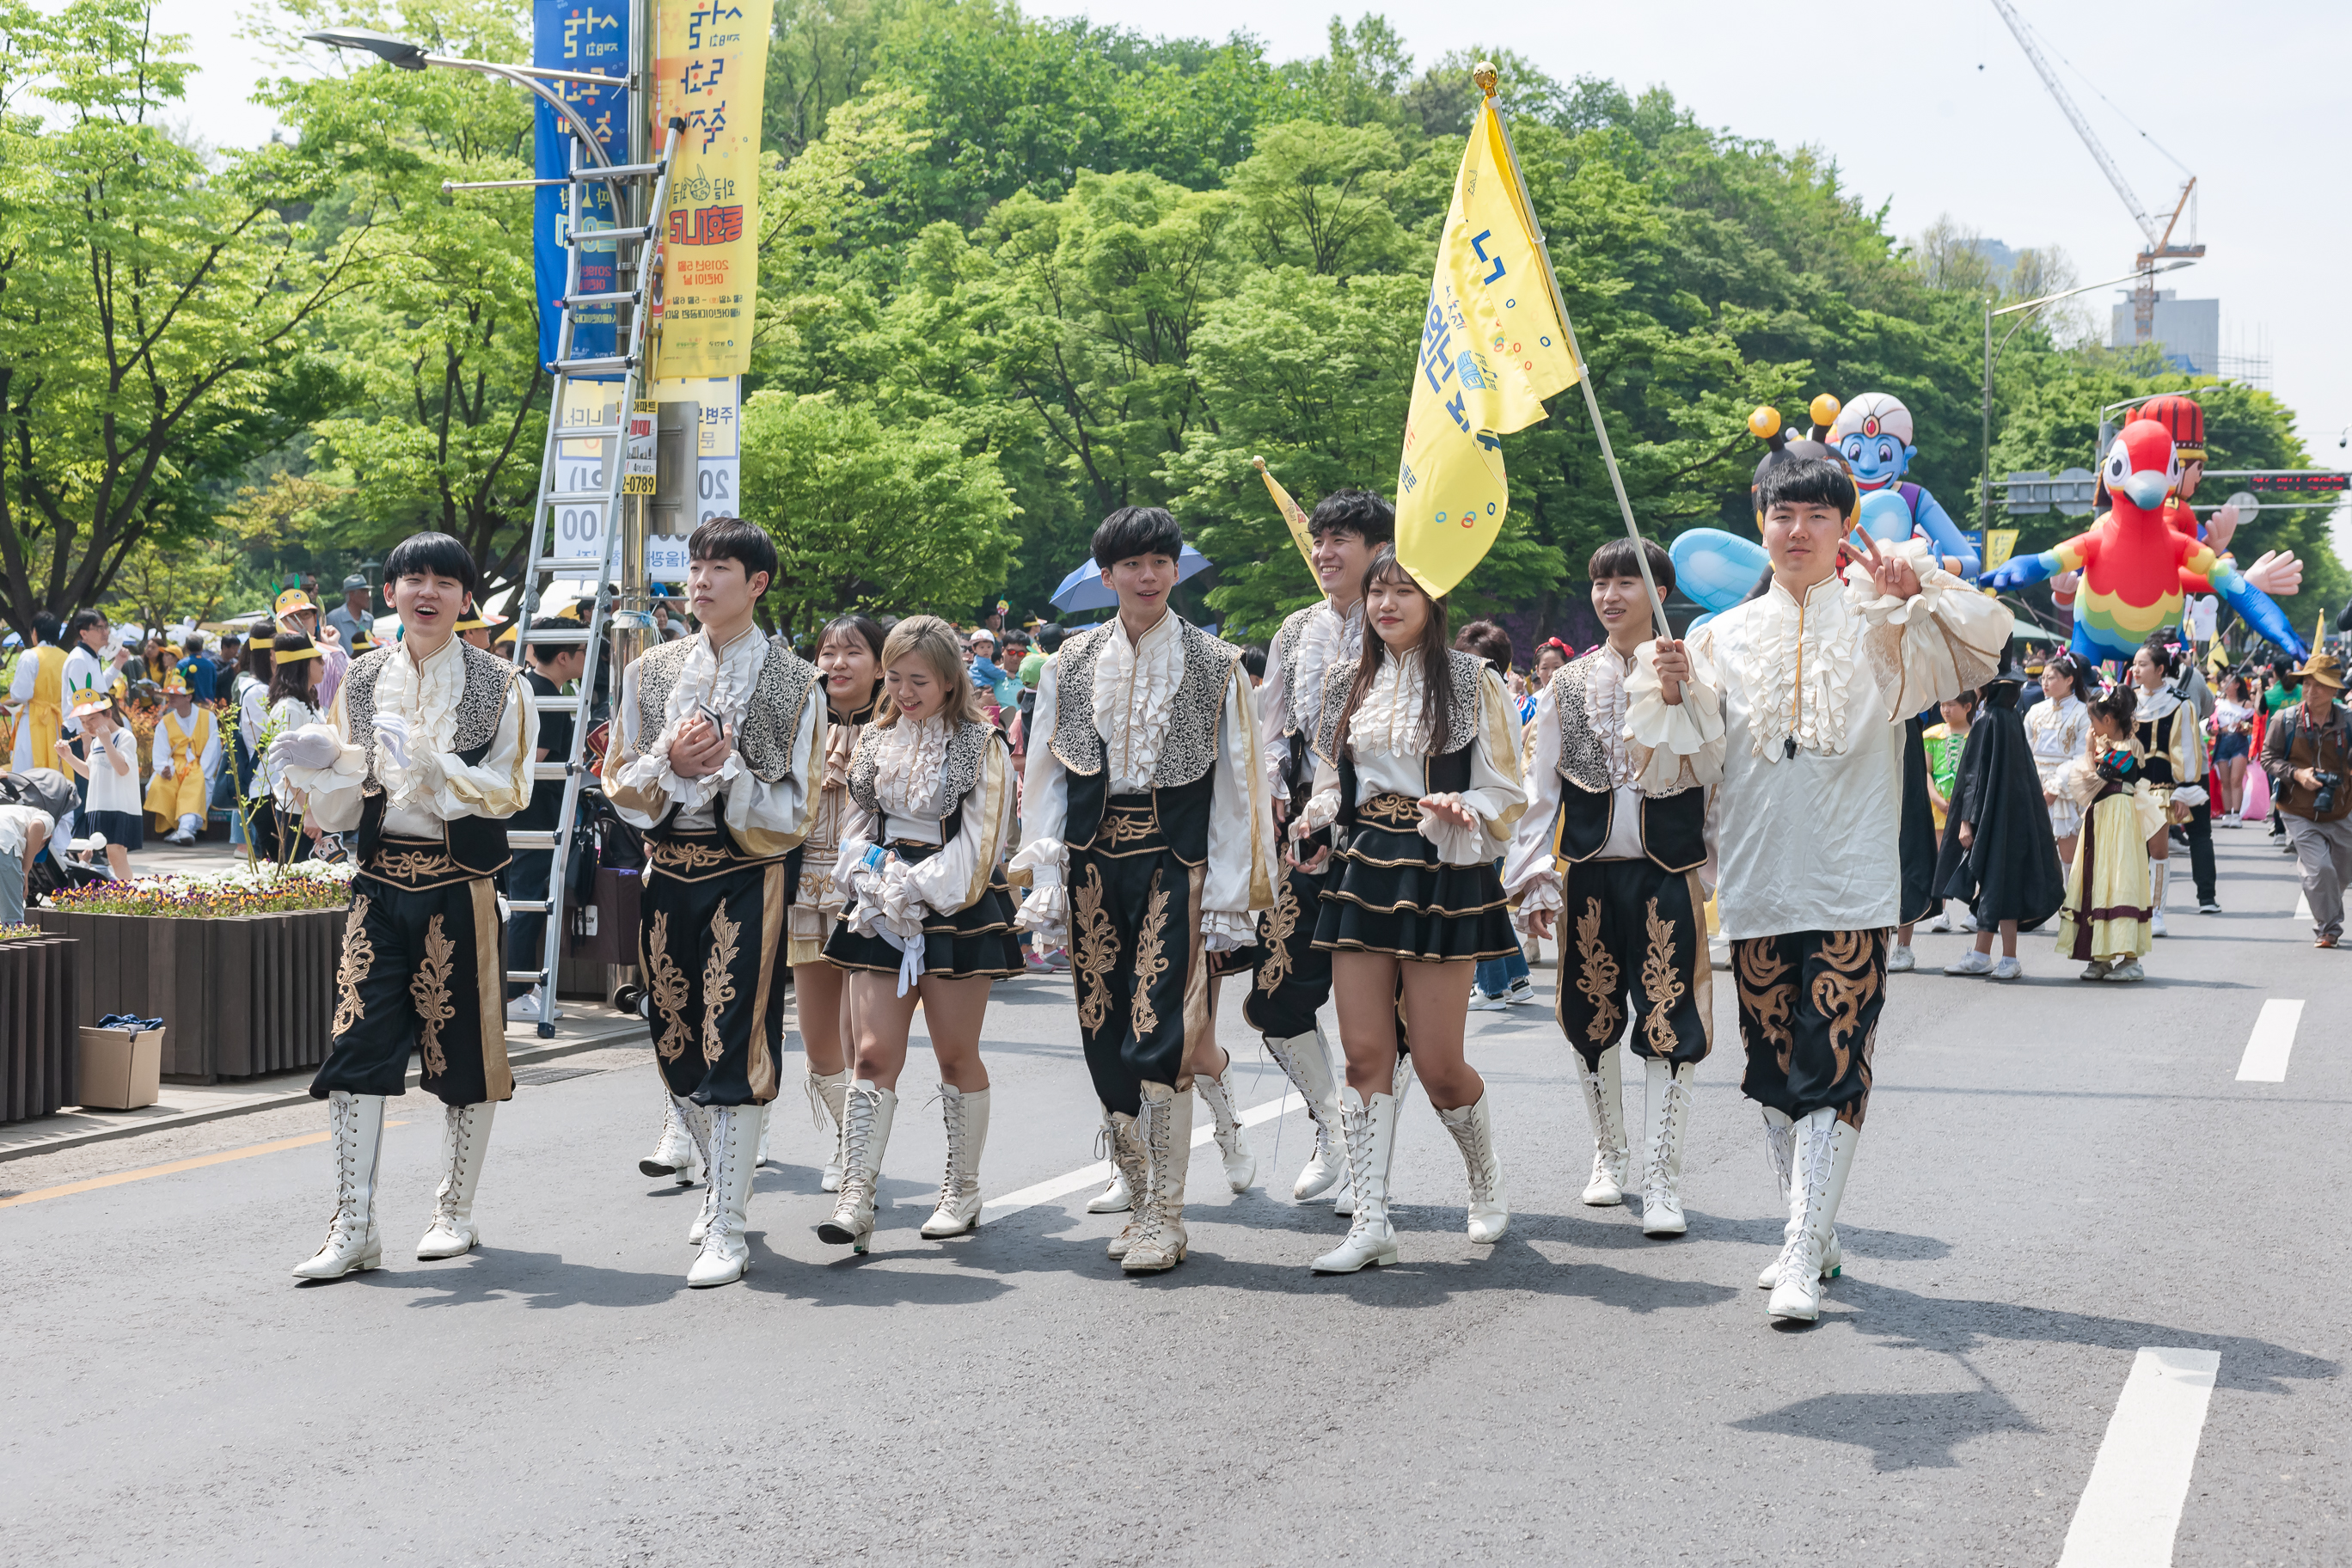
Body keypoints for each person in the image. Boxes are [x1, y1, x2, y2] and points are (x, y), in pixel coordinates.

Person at [1627, 455, 2007, 1321]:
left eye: (1815, 516)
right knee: (1774, 1068)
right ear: (1760, 521)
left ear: (1843, 529)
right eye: (1781, 514)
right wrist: (1675, 695)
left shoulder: (1885, 619)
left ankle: (1799, 1250)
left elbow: (1979, 649)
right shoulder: (1720, 637)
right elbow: (1683, 766)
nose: (1796, 531)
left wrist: (1919, 591)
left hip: (1851, 880)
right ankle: (1816, 1225)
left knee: (1832, 1058)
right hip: (1758, 880)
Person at [1010, 505, 1276, 1274]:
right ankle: (1136, 1191)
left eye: (1161, 560)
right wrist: (1050, 874)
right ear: (1107, 576)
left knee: (1157, 1027)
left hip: (1176, 865)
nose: (1148, 574)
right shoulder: (1068, 660)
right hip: (1093, 862)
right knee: (1100, 1032)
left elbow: (1237, 789)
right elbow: (1047, 777)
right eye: (1132, 563)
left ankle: (1166, 1213)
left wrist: (1229, 894)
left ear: (1177, 568)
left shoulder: (1215, 661)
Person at [266, 532, 538, 1281]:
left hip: (459, 885)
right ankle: (354, 1226)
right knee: (355, 1048)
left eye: (444, 582)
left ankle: (455, 1210)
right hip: (380, 882)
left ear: (464, 597)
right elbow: (354, 794)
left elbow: (514, 789)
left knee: (466, 1056)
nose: (428, 592)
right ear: (389, 593)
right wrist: (329, 763)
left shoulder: (500, 682)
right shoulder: (358, 680)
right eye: (413, 578)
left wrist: (432, 761)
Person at [1289, 544, 1525, 1273]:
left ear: (1433, 601)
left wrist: (1465, 804)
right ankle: (1371, 1220)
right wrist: (1316, 813)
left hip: (1439, 865)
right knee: (1364, 1054)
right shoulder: (1343, 678)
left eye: (1403, 592)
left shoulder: (1471, 679)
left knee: (1438, 1061)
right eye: (1377, 593)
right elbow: (1334, 779)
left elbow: (1506, 789)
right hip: (1365, 863)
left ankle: (1484, 1180)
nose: (1386, 605)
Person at [601, 518, 824, 1288]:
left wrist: (729, 769)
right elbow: (619, 779)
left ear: (756, 583)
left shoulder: (796, 683)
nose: (700, 581)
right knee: (671, 1038)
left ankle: (728, 1221)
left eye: (719, 568)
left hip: (746, 870)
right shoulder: (650, 672)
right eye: (695, 566)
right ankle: (718, 1178)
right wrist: (667, 760)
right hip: (668, 869)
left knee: (735, 1033)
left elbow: (797, 807)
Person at [1506, 537, 1715, 1236]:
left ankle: (1662, 1177)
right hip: (1590, 873)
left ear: (1660, 591)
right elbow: (1541, 791)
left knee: (1669, 1021)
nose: (1611, 595)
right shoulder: (1563, 686)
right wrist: (1534, 872)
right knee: (1588, 1016)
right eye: (1602, 581)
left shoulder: (1696, 671)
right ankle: (1609, 1152)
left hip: (1668, 872)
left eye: (1629, 581)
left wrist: (1715, 866)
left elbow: (1720, 778)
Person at [818, 616, 1024, 1251]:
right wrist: (872, 879)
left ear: (948, 680)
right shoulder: (876, 742)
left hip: (954, 904)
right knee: (873, 1053)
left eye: (920, 680)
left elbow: (983, 844)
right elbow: (855, 826)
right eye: (898, 678)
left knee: (955, 1055)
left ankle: (962, 1188)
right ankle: (856, 1195)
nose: (906, 692)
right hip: (880, 903)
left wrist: (916, 887)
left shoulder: (981, 743)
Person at [1229, 487, 1391, 1213]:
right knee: (1275, 998)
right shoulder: (1295, 630)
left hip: (1385, 839)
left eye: (1341, 540)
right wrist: (1268, 793)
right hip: (1305, 838)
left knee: (1387, 1021)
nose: (1324, 553)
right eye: (1319, 539)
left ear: (1378, 548)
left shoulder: (1402, 621)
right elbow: (1270, 731)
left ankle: (1369, 1165)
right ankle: (1332, 1126)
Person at [762, 611, 885, 1191]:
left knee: (858, 1039)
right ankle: (843, 1136)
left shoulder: (897, 724)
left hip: (869, 899)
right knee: (815, 1045)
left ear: (882, 663)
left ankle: (856, 1156)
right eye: (828, 652)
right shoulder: (797, 721)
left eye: (852, 652)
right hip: (803, 895)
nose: (836, 663)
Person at [1935, 662, 2067, 980]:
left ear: (1987, 690)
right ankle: (2003, 957)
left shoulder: (1987, 721)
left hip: (1991, 819)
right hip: (2017, 818)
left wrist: (1966, 822)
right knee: (2004, 885)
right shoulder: (2012, 720)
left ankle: (1986, 955)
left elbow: (1974, 778)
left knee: (1995, 883)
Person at [504, 615, 583, 1023]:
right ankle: (515, 992)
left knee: (528, 901)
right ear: (565, 656)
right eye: (583, 651)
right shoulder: (549, 699)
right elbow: (530, 764)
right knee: (530, 904)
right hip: (534, 820)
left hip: (520, 817)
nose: (588, 658)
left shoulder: (526, 688)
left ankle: (525, 987)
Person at [1455, 617, 1535, 1014]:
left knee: (1478, 902)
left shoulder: (1489, 694)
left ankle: (1491, 988)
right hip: (1492, 813)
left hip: (1485, 814)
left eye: (1473, 660)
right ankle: (1516, 976)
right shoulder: (1498, 693)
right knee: (1488, 898)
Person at [2054, 688, 2159, 979]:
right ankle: (2100, 956)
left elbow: (2091, 784)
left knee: (2119, 877)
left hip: (2119, 817)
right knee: (2096, 877)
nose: (2092, 729)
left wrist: (2089, 751)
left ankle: (2130, 959)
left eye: (2094, 722)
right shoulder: (2109, 747)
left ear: (2109, 720)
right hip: (2101, 817)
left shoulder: (2128, 748)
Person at [2262, 650, 2352, 947]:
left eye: (2320, 685)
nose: (2312, 691)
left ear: (2335, 690)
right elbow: (2268, 758)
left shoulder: (2348, 722)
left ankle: (2326, 906)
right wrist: (2298, 774)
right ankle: (2329, 928)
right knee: (2320, 870)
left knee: (2341, 874)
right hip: (2297, 808)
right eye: (2307, 684)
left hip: (2341, 808)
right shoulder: (2285, 720)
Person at [2129, 640, 2211, 931]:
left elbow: (2186, 748)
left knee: (2158, 850)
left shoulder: (2179, 702)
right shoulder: (2126, 699)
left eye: (2143, 664)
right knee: (2130, 850)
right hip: (2128, 786)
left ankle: (2157, 911)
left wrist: (2185, 791)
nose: (2135, 670)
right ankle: (2131, 908)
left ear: (2161, 669)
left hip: (2162, 785)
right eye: (2135, 664)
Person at [55, 688, 140, 880]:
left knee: (116, 853)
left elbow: (123, 769)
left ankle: (128, 895)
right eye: (84, 722)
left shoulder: (124, 737)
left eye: (92, 719)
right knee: (100, 853)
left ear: (108, 714)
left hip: (120, 806)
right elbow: (91, 773)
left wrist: (107, 742)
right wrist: (68, 756)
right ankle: (124, 894)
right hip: (99, 806)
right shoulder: (96, 743)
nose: (88, 727)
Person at [1914, 691, 1975, 934]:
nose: (1946, 710)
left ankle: (1975, 911)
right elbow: (1926, 771)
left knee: (1974, 857)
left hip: (1968, 805)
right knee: (1942, 859)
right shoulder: (1931, 735)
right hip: (1940, 806)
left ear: (1968, 706)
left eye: (1952, 705)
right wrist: (1937, 799)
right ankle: (1940, 912)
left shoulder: (1976, 734)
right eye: (1943, 705)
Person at [2024, 653, 2092, 869]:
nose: (2044, 683)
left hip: (2066, 788)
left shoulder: (2083, 713)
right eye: (2043, 678)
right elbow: (2026, 750)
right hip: (2035, 785)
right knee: (2034, 855)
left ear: (2069, 679)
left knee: (2068, 856)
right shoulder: (2035, 711)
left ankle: (2070, 902)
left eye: (2051, 678)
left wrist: (2054, 789)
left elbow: (2081, 756)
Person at [144, 671, 220, 845]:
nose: (171, 698)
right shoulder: (165, 722)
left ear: (189, 697)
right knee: (160, 785)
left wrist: (205, 771)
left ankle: (186, 828)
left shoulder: (208, 717)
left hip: (200, 764)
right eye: (170, 694)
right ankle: (179, 829)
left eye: (176, 695)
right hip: (174, 765)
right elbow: (161, 750)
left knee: (195, 783)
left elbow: (212, 747)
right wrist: (165, 768)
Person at [8, 612, 67, 778]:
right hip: (57, 720)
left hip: (34, 719)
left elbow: (21, 694)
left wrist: (13, 688)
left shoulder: (30, 655)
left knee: (28, 768)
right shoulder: (66, 657)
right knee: (57, 768)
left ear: (35, 632)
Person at [2212, 674, 2256, 825]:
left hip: (2239, 742)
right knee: (2225, 781)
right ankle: (2228, 814)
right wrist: (2217, 728)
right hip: (2222, 742)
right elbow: (2211, 725)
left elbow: (2252, 727)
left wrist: (2244, 728)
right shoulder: (2218, 703)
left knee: (2236, 780)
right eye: (2223, 681)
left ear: (2237, 685)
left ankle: (2236, 816)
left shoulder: (2246, 705)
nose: (2224, 683)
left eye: (2228, 681)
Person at [325, 574, 373, 648]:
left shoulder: (369, 619)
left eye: (368, 592)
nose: (368, 596)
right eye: (364, 592)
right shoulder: (333, 619)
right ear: (352, 595)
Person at [175, 632, 217, 703]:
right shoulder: (211, 665)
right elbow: (214, 686)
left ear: (186, 647)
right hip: (207, 705)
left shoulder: (182, 664)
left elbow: (177, 687)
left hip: (188, 706)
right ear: (201, 647)